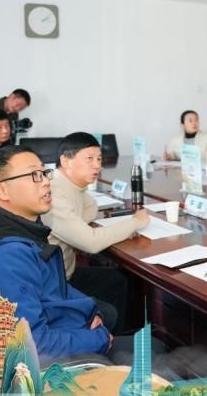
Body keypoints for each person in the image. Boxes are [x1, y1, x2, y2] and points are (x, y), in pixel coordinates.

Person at [0, 145, 122, 362]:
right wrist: (98, 339)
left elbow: (53, 286)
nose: (46, 182)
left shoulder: (10, 226)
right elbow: (26, 346)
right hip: (39, 369)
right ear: (2, 190)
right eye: (34, 176)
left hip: (52, 325)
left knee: (109, 313)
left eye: (45, 173)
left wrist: (89, 311)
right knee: (151, 353)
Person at [42, 132, 149, 332]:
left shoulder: (73, 186)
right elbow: (91, 243)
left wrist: (75, 223)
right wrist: (135, 222)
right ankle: (106, 341)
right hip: (52, 286)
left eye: (99, 159)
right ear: (66, 161)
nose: (96, 165)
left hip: (64, 273)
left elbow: (91, 206)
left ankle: (118, 339)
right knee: (109, 311)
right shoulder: (52, 192)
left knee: (116, 280)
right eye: (89, 159)